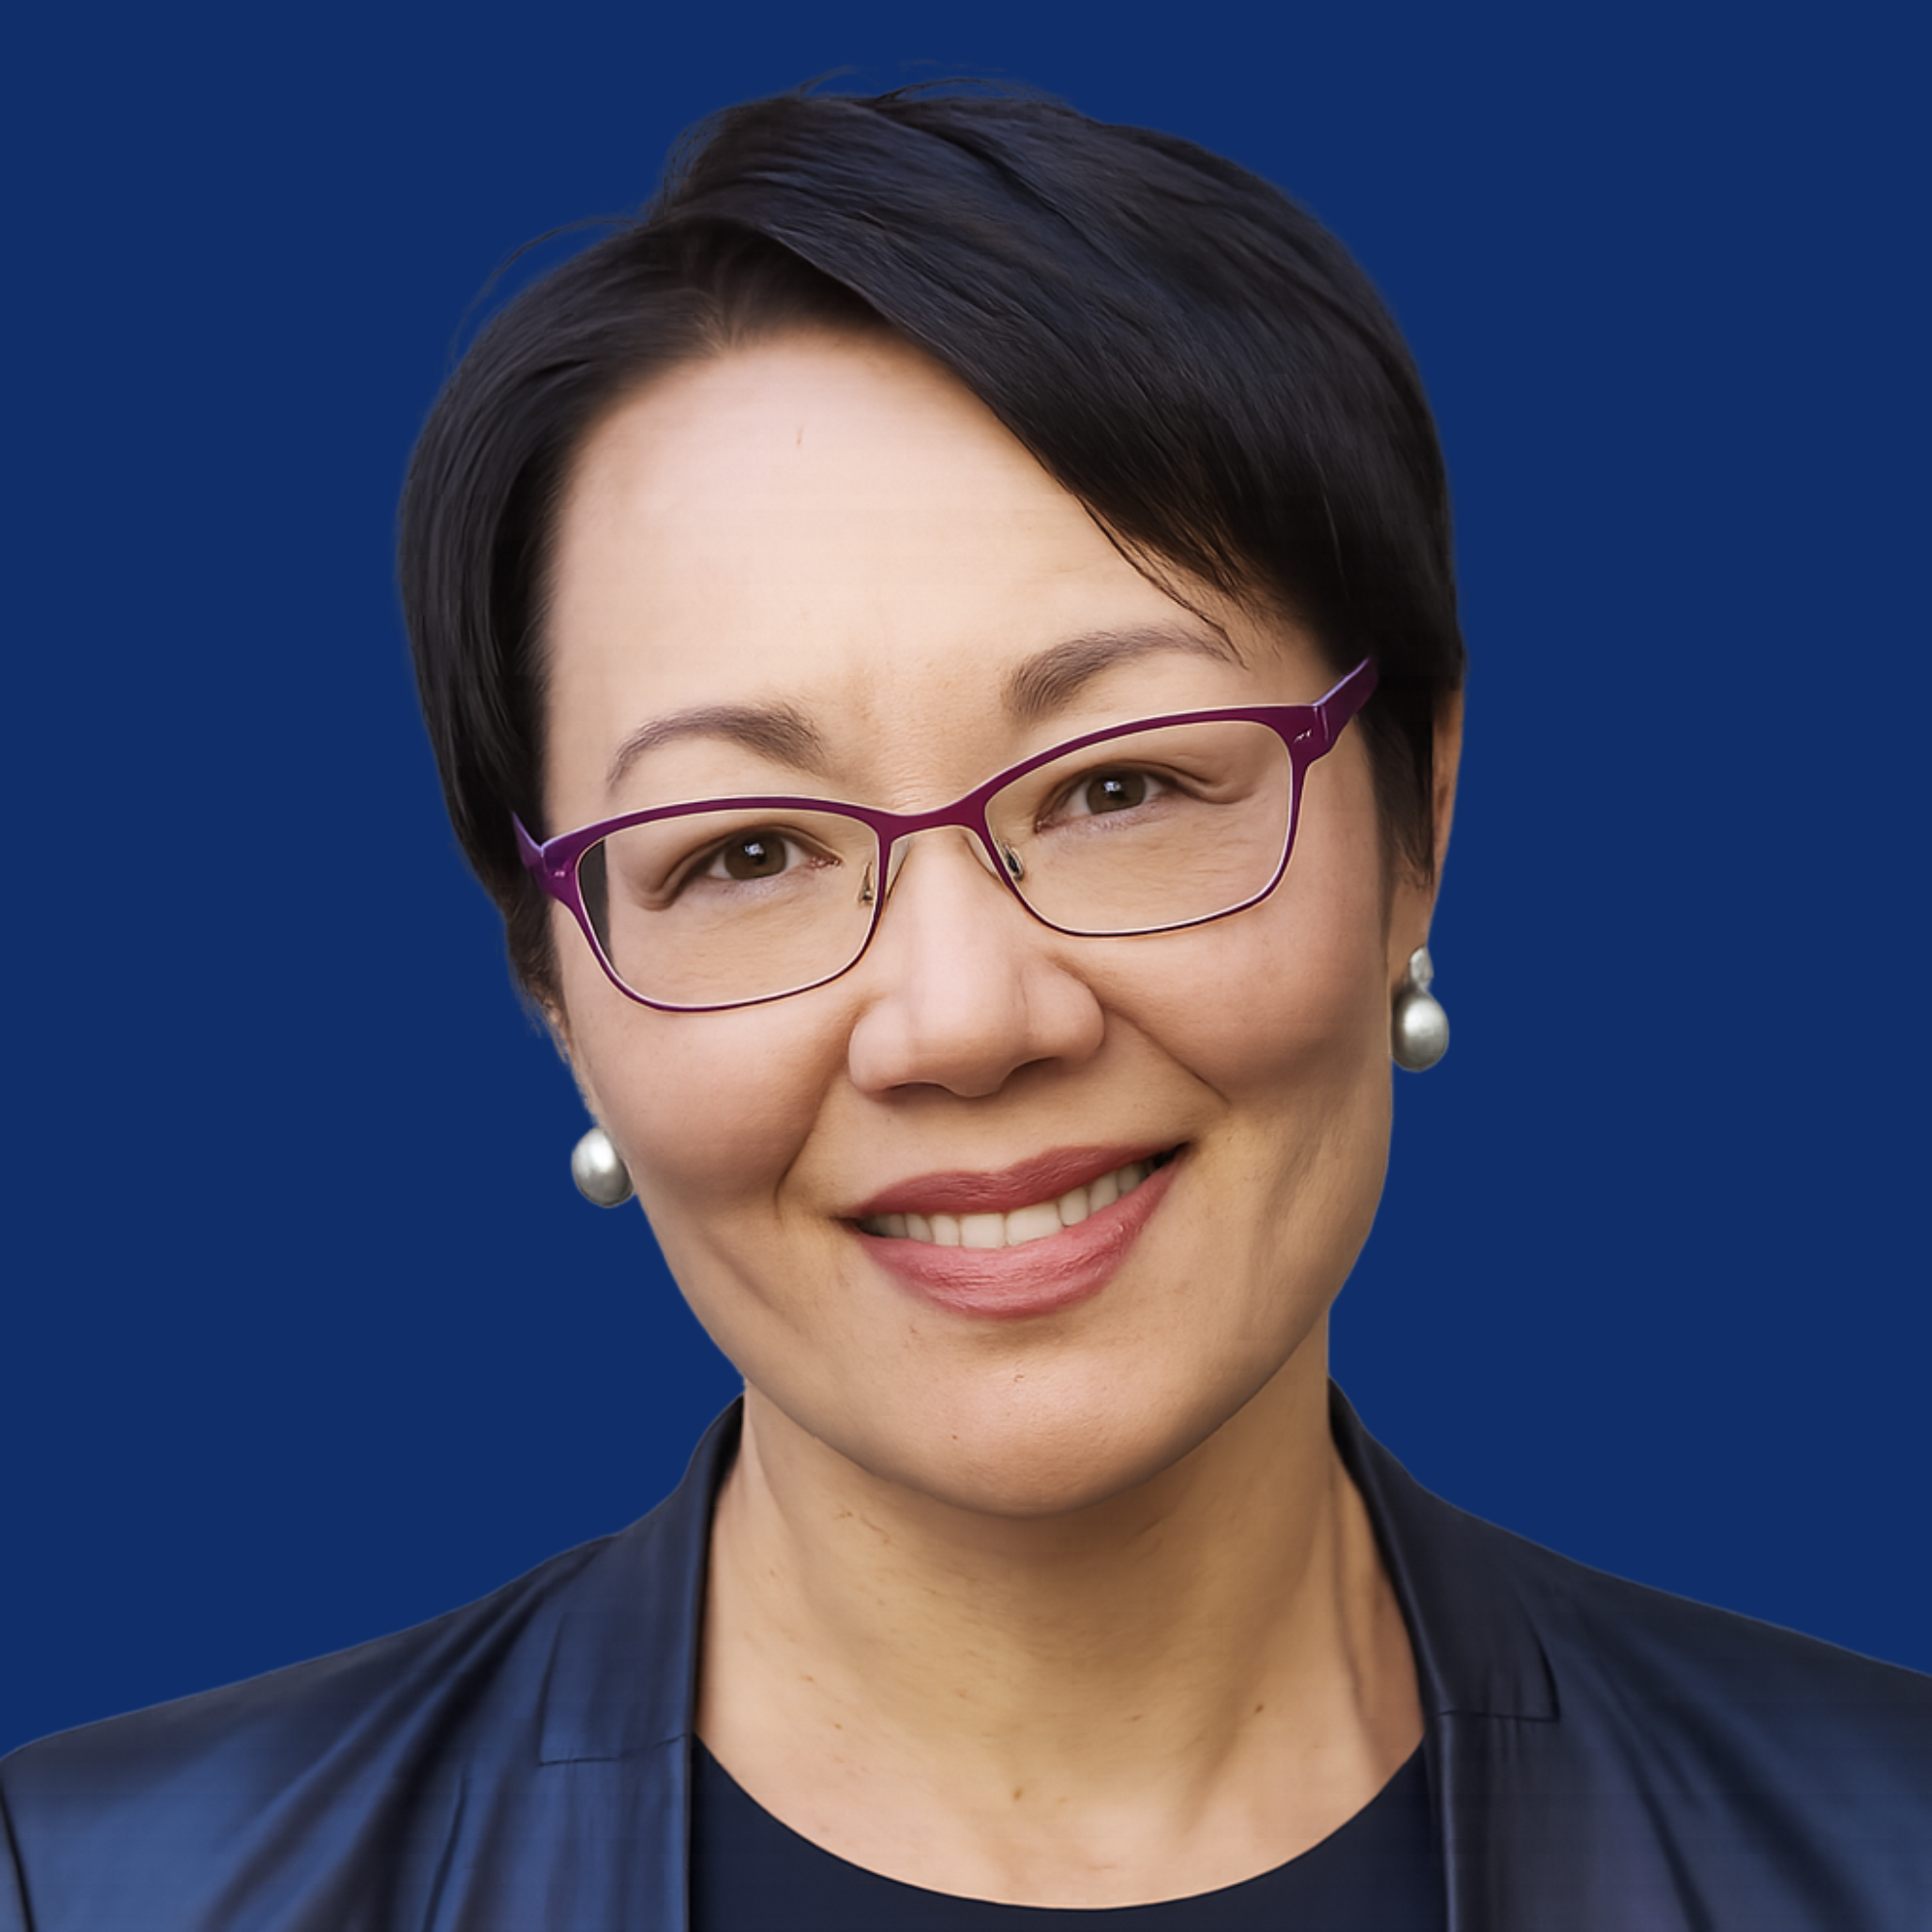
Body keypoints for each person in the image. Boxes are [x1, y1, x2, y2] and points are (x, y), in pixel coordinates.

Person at [4, 83, 1929, 1932]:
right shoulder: (88, 1898)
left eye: (1120, 786)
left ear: (1414, 813)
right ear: (553, 980)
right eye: (746, 851)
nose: (961, 1016)